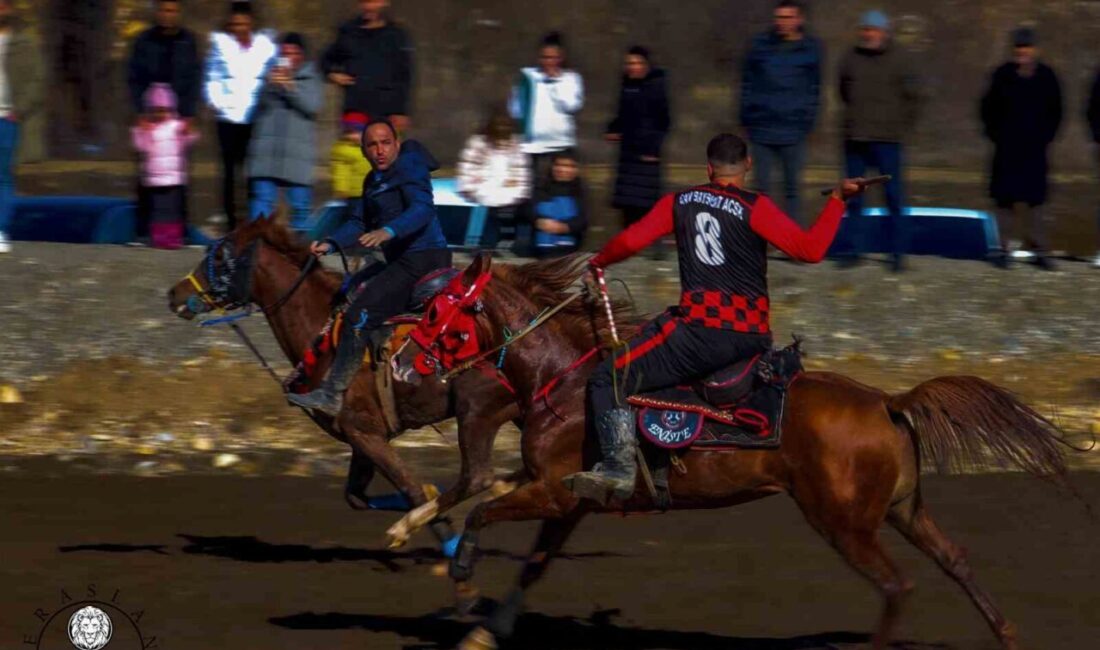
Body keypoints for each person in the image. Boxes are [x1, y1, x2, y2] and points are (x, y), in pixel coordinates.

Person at [562, 133, 865, 504]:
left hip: (699, 334)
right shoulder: (757, 206)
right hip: (753, 337)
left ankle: (619, 468)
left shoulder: (678, 202)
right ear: (748, 165)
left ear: (708, 168)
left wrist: (599, 263)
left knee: (607, 377)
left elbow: (631, 240)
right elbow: (811, 250)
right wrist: (837, 200)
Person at [288, 119, 450, 416]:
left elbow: (423, 208)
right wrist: (331, 243)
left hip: (423, 258)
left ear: (397, 144)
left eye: (385, 143)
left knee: (357, 316)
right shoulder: (372, 181)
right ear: (363, 151)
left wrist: (389, 231)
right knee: (347, 293)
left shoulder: (410, 167)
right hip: (399, 262)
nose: (380, 150)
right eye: (372, 145)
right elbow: (358, 223)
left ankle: (332, 394)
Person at [837, 9, 919, 271]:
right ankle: (855, 250)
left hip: (888, 139)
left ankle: (897, 255)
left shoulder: (901, 59)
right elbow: (843, 90)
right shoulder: (851, 57)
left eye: (872, 30)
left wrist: (901, 126)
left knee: (894, 197)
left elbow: (914, 97)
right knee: (854, 198)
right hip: (856, 137)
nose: (868, 34)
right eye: (865, 29)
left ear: (884, 32)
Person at [981, 27, 1062, 271]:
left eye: (1026, 47)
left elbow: (1056, 111)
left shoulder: (1047, 76)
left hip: (1035, 149)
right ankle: (1003, 250)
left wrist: (1045, 137)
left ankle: (1041, 251)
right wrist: (996, 136)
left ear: (1034, 49)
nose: (1022, 51)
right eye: (1019, 47)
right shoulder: (1002, 75)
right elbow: (987, 109)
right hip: (1006, 148)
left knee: (1037, 202)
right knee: (1004, 202)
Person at [740, 0, 822, 225]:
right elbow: (747, 83)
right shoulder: (760, 45)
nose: (782, 22)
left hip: (793, 129)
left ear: (799, 19)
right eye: (779, 17)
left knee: (792, 188)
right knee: (761, 190)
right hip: (762, 127)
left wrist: (807, 119)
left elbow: (814, 88)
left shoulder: (811, 49)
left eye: (788, 17)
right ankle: (760, 237)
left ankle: (791, 238)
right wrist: (747, 116)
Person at [204, 1, 277, 231]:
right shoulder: (221, 46)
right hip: (227, 119)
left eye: (243, 23)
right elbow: (212, 76)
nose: (239, 28)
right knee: (229, 173)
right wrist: (218, 102)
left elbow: (276, 71)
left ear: (251, 23)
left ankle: (252, 222)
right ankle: (231, 223)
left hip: (255, 119)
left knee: (253, 174)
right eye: (235, 24)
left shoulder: (264, 47)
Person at [247, 33, 323, 232]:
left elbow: (312, 106)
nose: (288, 57)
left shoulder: (311, 78)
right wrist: (267, 85)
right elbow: (255, 108)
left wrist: (291, 87)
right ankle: (256, 243)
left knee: (300, 207)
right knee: (261, 202)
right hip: (266, 155)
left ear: (302, 56)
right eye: (284, 53)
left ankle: (300, 247)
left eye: (293, 53)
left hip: (297, 156)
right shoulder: (267, 76)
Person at [322, 0, 414, 132]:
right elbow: (326, 59)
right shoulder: (349, 32)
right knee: (353, 145)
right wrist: (332, 74)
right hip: (355, 108)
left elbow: (404, 75)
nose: (368, 7)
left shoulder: (396, 35)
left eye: (373, 2)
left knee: (383, 144)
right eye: (364, 2)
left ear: (384, 3)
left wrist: (401, 111)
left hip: (388, 111)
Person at [607, 46, 670, 229]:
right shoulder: (627, 86)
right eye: (630, 63)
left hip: (646, 155)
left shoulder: (656, 87)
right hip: (628, 155)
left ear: (646, 65)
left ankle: (650, 241)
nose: (633, 67)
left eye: (638, 63)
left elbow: (664, 121)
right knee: (627, 206)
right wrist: (613, 128)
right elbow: (623, 115)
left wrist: (653, 148)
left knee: (646, 205)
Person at [131, 84, 199, 250]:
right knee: (158, 211)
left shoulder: (176, 126)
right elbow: (142, 147)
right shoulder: (149, 128)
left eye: (163, 110)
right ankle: (158, 238)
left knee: (173, 210)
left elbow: (187, 142)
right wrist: (141, 131)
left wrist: (188, 132)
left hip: (174, 178)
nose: (160, 114)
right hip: (155, 178)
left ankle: (174, 237)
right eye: (156, 110)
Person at [510, 32, 585, 179]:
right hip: (531, 145)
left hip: (561, 143)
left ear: (561, 58)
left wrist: (555, 82)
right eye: (545, 57)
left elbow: (572, 105)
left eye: (553, 58)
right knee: (531, 185)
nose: (549, 62)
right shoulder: (528, 77)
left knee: (558, 186)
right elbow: (515, 108)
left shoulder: (571, 78)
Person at [456, 103, 531, 249]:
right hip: (482, 192)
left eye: (506, 124)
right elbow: (468, 169)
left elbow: (521, 171)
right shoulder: (478, 143)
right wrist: (475, 189)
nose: (502, 128)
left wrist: (514, 189)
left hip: (509, 193)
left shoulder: (517, 144)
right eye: (499, 124)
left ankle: (507, 242)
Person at [0, 0, 43, 254]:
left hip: (6, 119)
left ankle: (0, 230)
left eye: (3, 5)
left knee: (3, 176)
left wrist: (20, 110)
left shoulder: (24, 43)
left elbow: (37, 80)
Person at [127, 0, 201, 122]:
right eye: (163, 11)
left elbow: (193, 77)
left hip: (179, 109)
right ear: (156, 12)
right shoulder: (144, 40)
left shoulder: (187, 41)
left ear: (178, 13)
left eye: (171, 11)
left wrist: (188, 112)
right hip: (150, 108)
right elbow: (135, 77)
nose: (166, 15)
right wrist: (139, 111)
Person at [527, 150, 587, 258]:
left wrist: (563, 227)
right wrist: (539, 221)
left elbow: (584, 220)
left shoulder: (580, 191)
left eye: (569, 166)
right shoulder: (540, 188)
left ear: (576, 169)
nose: (562, 169)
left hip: (569, 252)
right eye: (558, 165)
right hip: (539, 251)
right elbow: (527, 211)